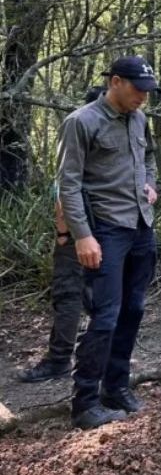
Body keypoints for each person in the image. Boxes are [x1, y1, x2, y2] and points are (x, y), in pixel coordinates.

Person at [57, 57, 159, 429]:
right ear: (115, 82)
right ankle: (84, 403)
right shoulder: (81, 122)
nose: (144, 98)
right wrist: (82, 235)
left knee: (133, 309)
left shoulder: (139, 119)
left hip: (141, 226)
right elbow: (67, 184)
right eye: (138, 89)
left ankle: (115, 388)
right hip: (105, 231)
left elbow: (149, 157)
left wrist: (150, 183)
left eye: (149, 91)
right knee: (105, 316)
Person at [17, 86, 108, 383]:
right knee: (102, 296)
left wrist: (62, 233)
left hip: (79, 233)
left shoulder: (79, 132)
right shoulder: (112, 137)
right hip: (111, 229)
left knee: (69, 293)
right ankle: (100, 357)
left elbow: (65, 192)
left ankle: (59, 360)